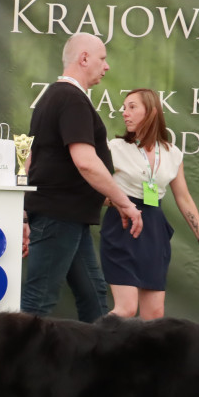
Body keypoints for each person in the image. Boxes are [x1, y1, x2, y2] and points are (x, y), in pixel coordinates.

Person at [21, 33, 143, 322]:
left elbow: (32, 160)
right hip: (58, 217)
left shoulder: (53, 97)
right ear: (84, 58)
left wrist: (24, 213)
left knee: (94, 295)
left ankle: (101, 365)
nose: (107, 66)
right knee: (38, 303)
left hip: (68, 217)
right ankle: (6, 368)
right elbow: (86, 162)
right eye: (102, 58)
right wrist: (124, 202)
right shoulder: (71, 99)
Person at [102, 88, 199, 320]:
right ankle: (98, 351)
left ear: (152, 111)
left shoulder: (172, 153)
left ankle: (143, 358)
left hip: (154, 230)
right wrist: (118, 203)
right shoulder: (114, 148)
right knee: (125, 310)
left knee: (154, 315)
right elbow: (93, 189)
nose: (124, 113)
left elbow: (183, 198)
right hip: (122, 226)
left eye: (132, 107)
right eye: (124, 108)